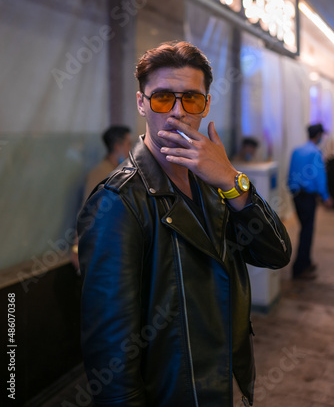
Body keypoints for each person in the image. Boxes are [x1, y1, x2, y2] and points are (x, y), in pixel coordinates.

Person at [77, 41, 291, 407]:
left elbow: (275, 253)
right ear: (142, 103)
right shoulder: (119, 201)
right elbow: (110, 354)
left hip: (226, 382)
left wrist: (232, 180)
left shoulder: (213, 182)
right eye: (162, 98)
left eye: (191, 99)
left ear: (206, 105)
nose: (177, 111)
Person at [71, 125, 132, 272]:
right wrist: (77, 247)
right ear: (117, 147)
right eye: (129, 144)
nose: (131, 149)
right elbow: (88, 211)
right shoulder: (100, 173)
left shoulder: (122, 172)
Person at [288, 123, 333, 280]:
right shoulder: (315, 153)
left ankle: (306, 262)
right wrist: (326, 197)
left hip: (297, 196)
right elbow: (319, 177)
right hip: (308, 197)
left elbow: (290, 175)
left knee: (304, 228)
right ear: (319, 135)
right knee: (307, 232)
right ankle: (299, 268)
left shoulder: (297, 151)